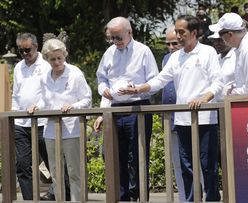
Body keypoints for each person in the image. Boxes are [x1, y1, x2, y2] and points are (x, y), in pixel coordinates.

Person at [121, 15, 223, 201]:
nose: (178, 36)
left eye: (182, 32)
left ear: (194, 33)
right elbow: (160, 80)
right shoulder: (175, 57)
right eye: (177, 32)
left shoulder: (207, 52)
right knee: (186, 167)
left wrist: (203, 98)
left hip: (205, 118)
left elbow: (218, 83)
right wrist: (138, 88)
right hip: (183, 120)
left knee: (208, 166)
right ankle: (192, 199)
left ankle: (213, 199)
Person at [96, 16, 159, 201]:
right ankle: (122, 196)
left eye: (118, 38)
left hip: (138, 107)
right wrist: (103, 90)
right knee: (116, 155)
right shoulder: (109, 52)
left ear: (129, 32)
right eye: (112, 38)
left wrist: (138, 89)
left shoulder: (143, 51)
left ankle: (140, 196)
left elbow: (154, 81)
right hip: (115, 109)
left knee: (139, 155)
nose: (115, 42)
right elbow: (101, 79)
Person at [27, 38, 92, 201]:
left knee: (74, 171)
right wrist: (36, 106)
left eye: (59, 58)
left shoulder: (75, 73)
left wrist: (72, 106)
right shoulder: (44, 77)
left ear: (64, 56)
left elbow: (87, 99)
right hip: (50, 130)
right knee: (55, 172)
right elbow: (45, 100)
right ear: (47, 59)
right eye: (52, 59)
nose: (56, 62)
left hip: (72, 129)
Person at [11, 32, 57, 201]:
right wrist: (14, 116)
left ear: (36, 47)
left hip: (42, 122)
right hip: (21, 123)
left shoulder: (46, 65)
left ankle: (60, 194)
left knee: (52, 162)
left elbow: (51, 92)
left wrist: (39, 106)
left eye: (27, 50)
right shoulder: (18, 67)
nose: (24, 54)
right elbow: (16, 95)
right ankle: (30, 199)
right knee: (23, 165)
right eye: (20, 50)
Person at [161, 25, 185, 201]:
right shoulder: (165, 59)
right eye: (168, 44)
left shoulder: (192, 56)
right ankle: (184, 198)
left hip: (188, 117)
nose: (171, 47)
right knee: (177, 163)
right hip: (170, 119)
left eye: (174, 43)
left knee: (195, 162)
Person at [208, 31, 236, 97]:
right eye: (214, 40)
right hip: (215, 103)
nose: (216, 43)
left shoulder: (236, 56)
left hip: (233, 102)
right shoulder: (215, 58)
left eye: (220, 40)